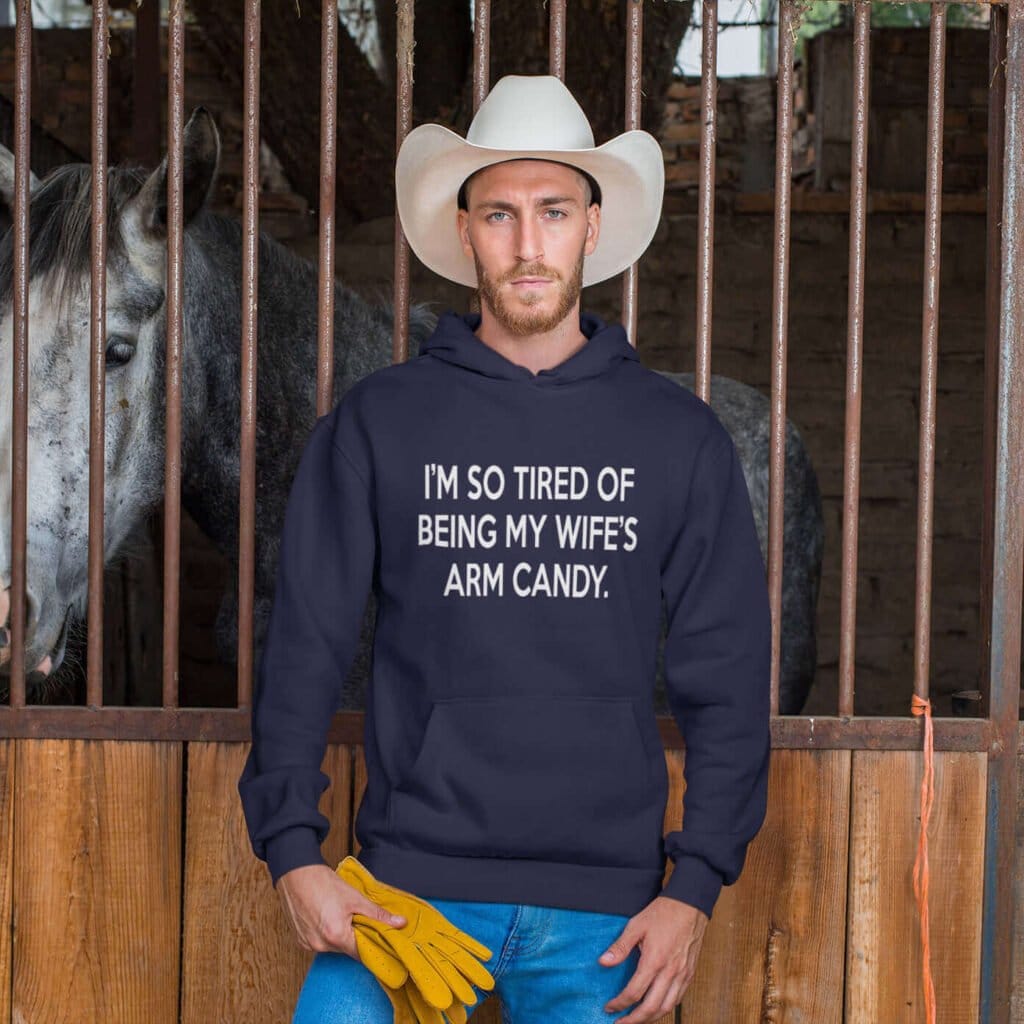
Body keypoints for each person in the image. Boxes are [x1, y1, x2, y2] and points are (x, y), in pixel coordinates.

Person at [238, 73, 772, 1023]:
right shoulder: (379, 423)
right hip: (405, 896)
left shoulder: (678, 438)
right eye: (500, 215)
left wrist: (693, 887)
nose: (529, 245)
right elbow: (302, 648)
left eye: (555, 211)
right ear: (465, 232)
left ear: (594, 228)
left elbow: (727, 680)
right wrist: (292, 854)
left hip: (606, 913)